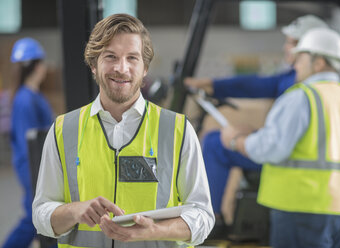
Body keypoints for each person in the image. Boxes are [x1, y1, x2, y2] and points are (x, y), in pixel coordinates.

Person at [32, 13, 214, 247]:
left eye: (132, 58)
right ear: (93, 65)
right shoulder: (63, 130)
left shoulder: (177, 129)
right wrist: (75, 211)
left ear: (145, 67)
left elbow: (203, 215)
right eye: (110, 57)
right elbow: (41, 215)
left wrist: (154, 230)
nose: (121, 68)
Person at [220, 27, 340, 248]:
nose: (294, 64)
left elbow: (271, 148)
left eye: (301, 57)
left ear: (318, 62)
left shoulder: (302, 98)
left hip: (302, 208)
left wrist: (235, 141)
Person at [183, 15, 328, 226]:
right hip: (300, 158)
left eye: (293, 43)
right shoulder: (299, 80)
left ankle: (209, 220)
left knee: (216, 143)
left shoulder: (301, 86)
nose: (287, 48)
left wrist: (239, 140)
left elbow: (258, 88)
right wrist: (210, 84)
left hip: (294, 164)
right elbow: (254, 85)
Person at [2, 38, 54, 248]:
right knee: (36, 218)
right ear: (37, 66)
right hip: (31, 167)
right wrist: (37, 176)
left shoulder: (32, 95)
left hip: (36, 166)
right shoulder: (25, 99)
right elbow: (28, 144)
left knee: (41, 218)